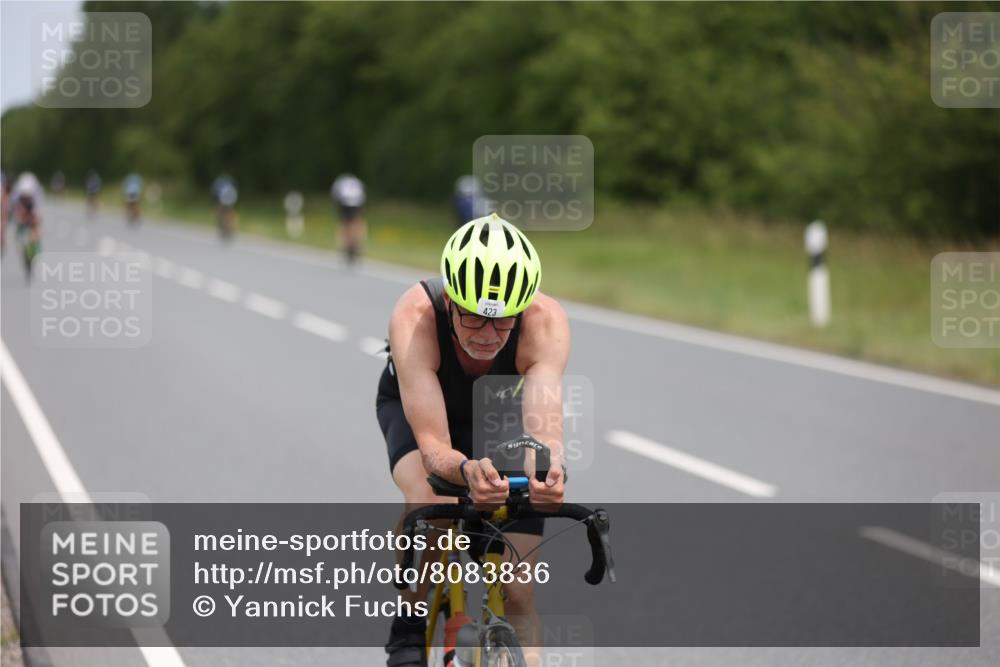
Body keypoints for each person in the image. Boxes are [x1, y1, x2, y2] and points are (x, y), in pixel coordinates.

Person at [376, 213, 568, 667]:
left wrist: (550, 472)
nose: (488, 335)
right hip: (421, 408)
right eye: (476, 320)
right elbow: (435, 448)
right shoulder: (415, 315)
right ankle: (409, 616)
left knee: (519, 587)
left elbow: (544, 430)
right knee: (433, 500)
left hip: (496, 410)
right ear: (451, 303)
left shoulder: (545, 323)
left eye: (504, 322)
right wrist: (465, 471)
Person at [11, 172, 43, 277]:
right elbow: (15, 214)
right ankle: (25, 255)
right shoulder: (16, 197)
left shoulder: (37, 197)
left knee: (36, 234)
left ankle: (37, 250)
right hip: (22, 220)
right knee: (19, 242)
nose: (25, 197)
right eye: (23, 195)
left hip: (32, 219)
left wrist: (34, 220)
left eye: (27, 196)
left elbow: (38, 215)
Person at [330, 173, 366, 265]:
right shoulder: (357, 182)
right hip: (356, 203)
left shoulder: (341, 180)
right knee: (356, 222)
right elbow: (363, 195)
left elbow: (335, 194)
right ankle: (356, 243)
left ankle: (345, 244)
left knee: (344, 223)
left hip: (345, 203)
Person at [211, 173, 239, 240]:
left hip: (225, 196)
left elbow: (216, 195)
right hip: (231, 195)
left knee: (220, 211)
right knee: (228, 211)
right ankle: (228, 227)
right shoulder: (228, 182)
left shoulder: (218, 183)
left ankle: (226, 227)